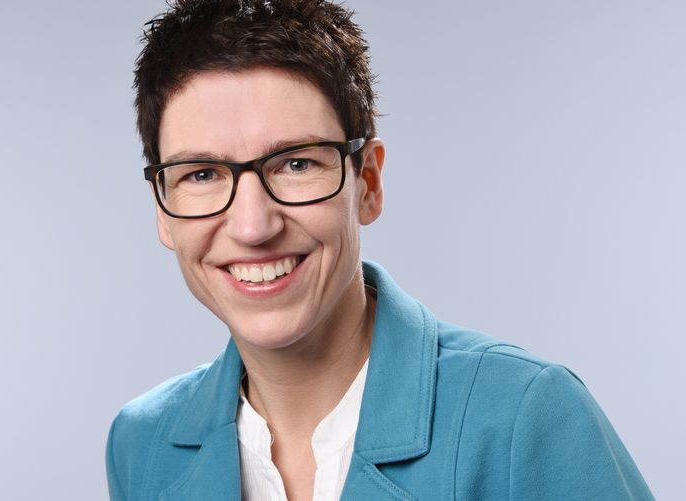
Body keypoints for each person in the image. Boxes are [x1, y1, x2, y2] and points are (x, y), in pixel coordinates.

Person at [106, 1, 654, 499]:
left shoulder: (525, 415)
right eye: (201, 174)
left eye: (296, 163)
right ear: (162, 209)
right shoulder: (141, 445)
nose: (252, 226)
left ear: (367, 182)